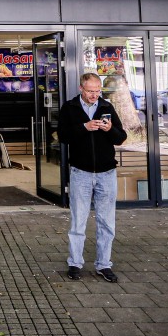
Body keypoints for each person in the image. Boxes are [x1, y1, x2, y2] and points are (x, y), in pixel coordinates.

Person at [59, 72, 128, 283]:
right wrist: (84, 127)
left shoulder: (106, 107)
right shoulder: (69, 108)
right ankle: (75, 263)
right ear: (81, 88)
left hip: (106, 173)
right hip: (81, 172)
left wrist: (109, 130)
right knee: (78, 220)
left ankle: (104, 265)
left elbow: (121, 137)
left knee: (106, 222)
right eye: (90, 91)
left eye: (97, 91)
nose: (94, 95)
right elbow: (62, 136)